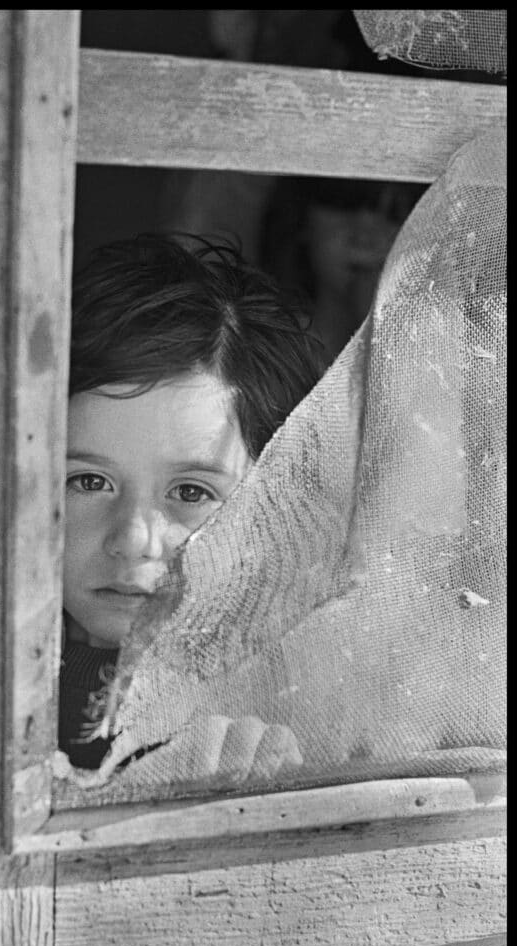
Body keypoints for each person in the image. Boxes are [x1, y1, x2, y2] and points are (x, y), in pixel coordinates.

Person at [59, 233, 324, 769]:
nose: (133, 540)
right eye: (87, 481)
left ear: (274, 511)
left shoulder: (304, 701)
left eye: (190, 492)